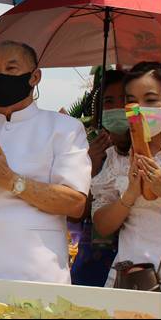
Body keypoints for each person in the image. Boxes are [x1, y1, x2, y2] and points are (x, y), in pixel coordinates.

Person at [0, 41, 91, 284]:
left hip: (35, 270)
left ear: (34, 77)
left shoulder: (65, 129)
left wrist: (11, 180)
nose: (0, 77)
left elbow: (75, 203)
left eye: (11, 69)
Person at [92, 62, 161, 288]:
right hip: (130, 275)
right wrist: (129, 196)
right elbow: (102, 227)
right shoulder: (116, 157)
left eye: (150, 100)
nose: (140, 108)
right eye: (132, 101)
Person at [70, 70, 127, 286]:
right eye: (109, 101)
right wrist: (90, 167)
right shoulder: (88, 148)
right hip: (93, 260)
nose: (116, 107)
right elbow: (76, 213)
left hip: (139, 262)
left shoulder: (151, 153)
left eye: (124, 100)